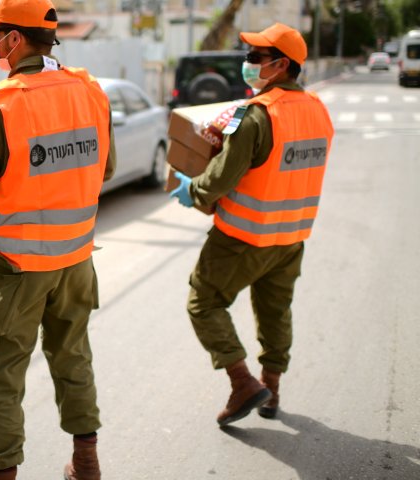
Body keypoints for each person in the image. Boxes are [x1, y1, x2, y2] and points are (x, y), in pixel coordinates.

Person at [0, 1, 116, 478]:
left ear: (15, 39)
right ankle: (86, 462)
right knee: (72, 354)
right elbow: (107, 167)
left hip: (16, 266)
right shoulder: (90, 91)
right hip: (77, 260)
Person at [170, 23, 335, 426]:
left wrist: (192, 190)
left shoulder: (257, 116)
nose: (247, 63)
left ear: (280, 65)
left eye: (255, 57)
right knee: (275, 311)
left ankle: (242, 381)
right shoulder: (317, 109)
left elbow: (220, 180)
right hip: (292, 237)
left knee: (203, 302)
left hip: (241, 236)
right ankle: (271, 388)